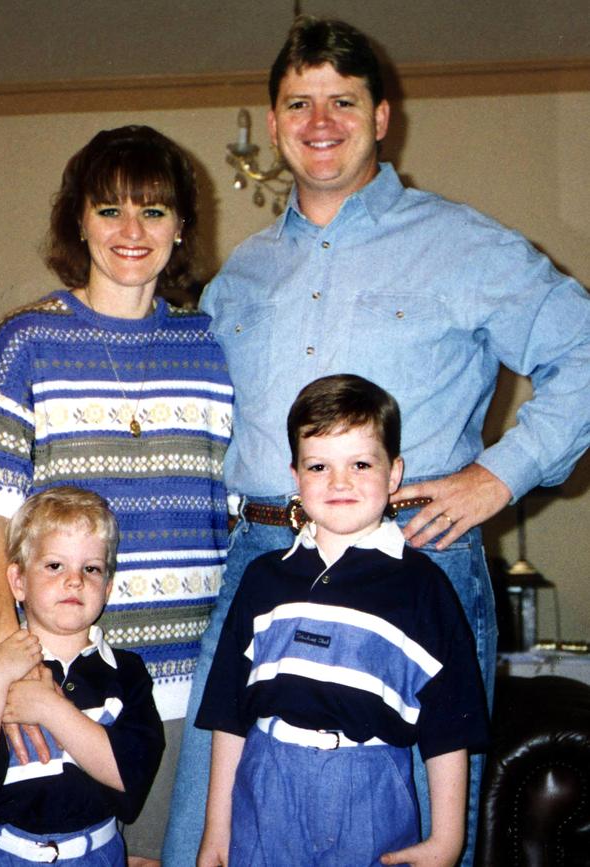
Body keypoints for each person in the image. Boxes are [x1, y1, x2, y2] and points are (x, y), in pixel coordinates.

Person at [163, 16, 590, 867]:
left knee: (409, 845)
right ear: (274, 122)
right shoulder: (237, 275)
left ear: (383, 115)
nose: (320, 120)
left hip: (417, 562)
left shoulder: (465, 245)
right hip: (259, 565)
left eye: (343, 101)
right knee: (206, 844)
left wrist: (498, 478)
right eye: (299, 102)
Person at [0, 125, 233, 865]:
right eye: (109, 209)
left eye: (154, 209)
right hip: (68, 684)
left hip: (193, 684)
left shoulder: (212, 346)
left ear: (183, 227)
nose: (132, 231)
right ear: (78, 221)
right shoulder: (25, 343)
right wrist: (6, 659)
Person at [195, 375, 489, 867]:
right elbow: (229, 713)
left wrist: (447, 840)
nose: (339, 482)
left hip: (370, 790)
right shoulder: (264, 579)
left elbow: (450, 726)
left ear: (393, 474)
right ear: (295, 474)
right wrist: (216, 829)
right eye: (318, 466)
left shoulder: (421, 587)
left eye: (360, 463)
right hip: (265, 785)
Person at [0, 486, 164, 865]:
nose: (74, 580)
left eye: (90, 568)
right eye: (55, 565)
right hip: (0, 855)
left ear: (107, 588)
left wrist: (51, 709)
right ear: (18, 582)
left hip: (95, 854)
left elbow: (130, 776)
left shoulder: (126, 673)